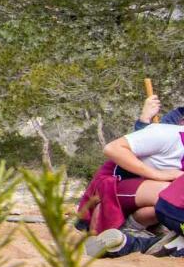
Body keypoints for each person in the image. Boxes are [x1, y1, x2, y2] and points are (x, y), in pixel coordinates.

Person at [77, 93, 184, 244]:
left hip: (145, 191)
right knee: (170, 194)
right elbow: (113, 149)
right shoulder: (170, 133)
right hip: (114, 186)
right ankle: (108, 226)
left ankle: (132, 227)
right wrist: (158, 175)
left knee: (170, 197)